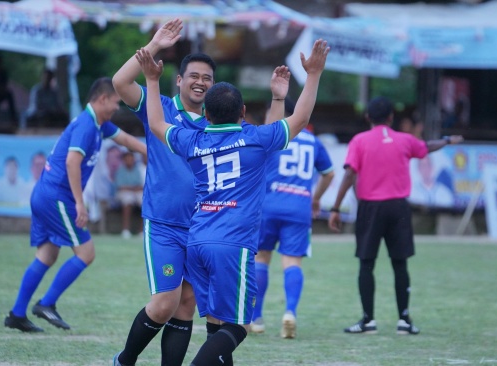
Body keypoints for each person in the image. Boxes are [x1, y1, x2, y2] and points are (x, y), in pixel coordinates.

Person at [135, 36, 329, 364]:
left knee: (217, 325)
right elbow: (299, 120)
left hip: (196, 242)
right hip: (233, 245)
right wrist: (312, 75)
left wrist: (152, 80)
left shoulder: (192, 140)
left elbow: (155, 123)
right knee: (238, 327)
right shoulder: (254, 139)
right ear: (242, 112)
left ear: (206, 114)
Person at [3, 77, 147, 333]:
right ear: (102, 99)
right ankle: (46, 304)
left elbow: (124, 139)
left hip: (45, 194)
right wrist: (80, 203)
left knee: (47, 255)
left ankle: (16, 314)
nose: (116, 108)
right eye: (115, 102)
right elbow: (72, 162)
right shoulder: (86, 126)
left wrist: (153, 151)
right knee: (86, 253)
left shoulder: (97, 123)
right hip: (58, 197)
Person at [111, 18, 213, 366]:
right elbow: (120, 82)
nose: (200, 83)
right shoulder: (161, 106)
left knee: (187, 303)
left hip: (201, 228)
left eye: (207, 79)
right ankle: (124, 360)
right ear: (180, 80)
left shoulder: (217, 124)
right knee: (165, 302)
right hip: (164, 223)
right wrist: (154, 45)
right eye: (194, 76)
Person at [328, 96, 464, 335]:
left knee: (366, 263)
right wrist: (447, 140)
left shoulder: (359, 141)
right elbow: (426, 147)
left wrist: (336, 208)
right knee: (400, 264)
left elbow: (349, 175)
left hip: (371, 208)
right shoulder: (405, 140)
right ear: (391, 118)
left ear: (368, 117)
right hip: (399, 207)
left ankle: (368, 320)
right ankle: (404, 320)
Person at [250, 97, 335, 339]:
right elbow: (329, 174)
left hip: (268, 206)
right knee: (292, 263)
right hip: (299, 208)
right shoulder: (313, 140)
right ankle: (290, 312)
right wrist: (315, 198)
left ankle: (256, 318)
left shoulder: (272, 136)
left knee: (262, 259)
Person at [114, 151, 143, 239]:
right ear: (124, 160)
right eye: (127, 159)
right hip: (123, 193)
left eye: (131, 159)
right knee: (128, 200)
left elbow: (139, 185)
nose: (130, 160)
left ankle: (141, 230)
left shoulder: (137, 169)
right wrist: (132, 188)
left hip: (135, 192)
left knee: (145, 202)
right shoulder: (120, 170)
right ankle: (125, 230)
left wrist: (131, 188)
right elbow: (120, 187)